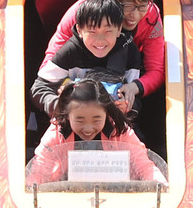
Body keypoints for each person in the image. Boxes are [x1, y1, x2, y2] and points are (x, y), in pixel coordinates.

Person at [42, 0, 164, 110]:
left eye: (142, 6)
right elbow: (49, 65)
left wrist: (134, 87)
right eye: (127, 6)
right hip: (82, 73)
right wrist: (66, 86)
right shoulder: (82, 13)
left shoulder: (151, 16)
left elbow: (156, 69)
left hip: (123, 72)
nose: (134, 15)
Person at [26, 79, 166, 186]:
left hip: (116, 194)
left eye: (96, 119)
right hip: (68, 194)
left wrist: (160, 184)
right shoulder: (57, 132)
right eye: (80, 120)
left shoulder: (120, 130)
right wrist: (31, 189)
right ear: (68, 115)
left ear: (107, 113)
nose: (88, 128)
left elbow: (142, 164)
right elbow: (40, 170)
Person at [31, 0, 143, 117]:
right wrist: (61, 105)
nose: (100, 40)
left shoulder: (129, 52)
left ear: (119, 29)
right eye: (92, 32)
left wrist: (127, 106)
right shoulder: (70, 51)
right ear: (79, 31)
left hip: (113, 122)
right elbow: (39, 88)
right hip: (74, 121)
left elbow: (136, 99)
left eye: (108, 31)